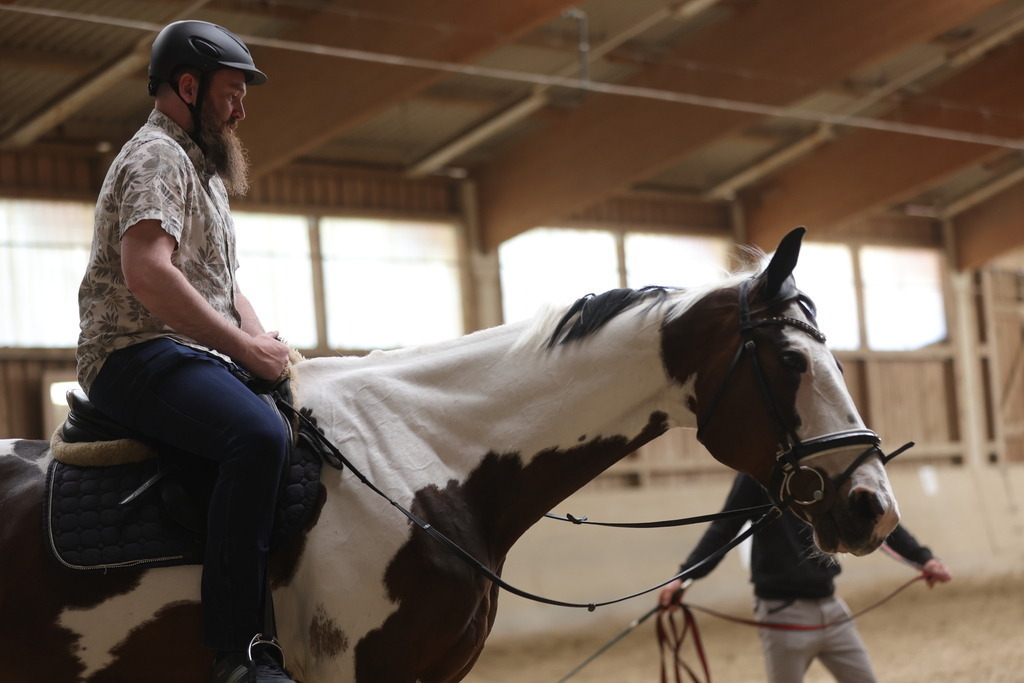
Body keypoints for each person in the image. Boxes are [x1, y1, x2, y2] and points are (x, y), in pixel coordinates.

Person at [76, 20, 297, 683]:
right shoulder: (155, 157)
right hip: (133, 352)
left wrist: (263, 344)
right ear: (188, 85)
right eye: (232, 91)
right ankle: (239, 652)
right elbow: (148, 271)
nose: (241, 107)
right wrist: (242, 349)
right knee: (256, 437)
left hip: (194, 353)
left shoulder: (204, 170)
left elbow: (225, 290)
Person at [658, 473, 952, 683]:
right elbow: (723, 530)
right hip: (782, 614)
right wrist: (684, 578)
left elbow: (876, 520)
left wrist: (923, 558)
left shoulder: (831, 472)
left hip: (832, 609)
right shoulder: (756, 477)